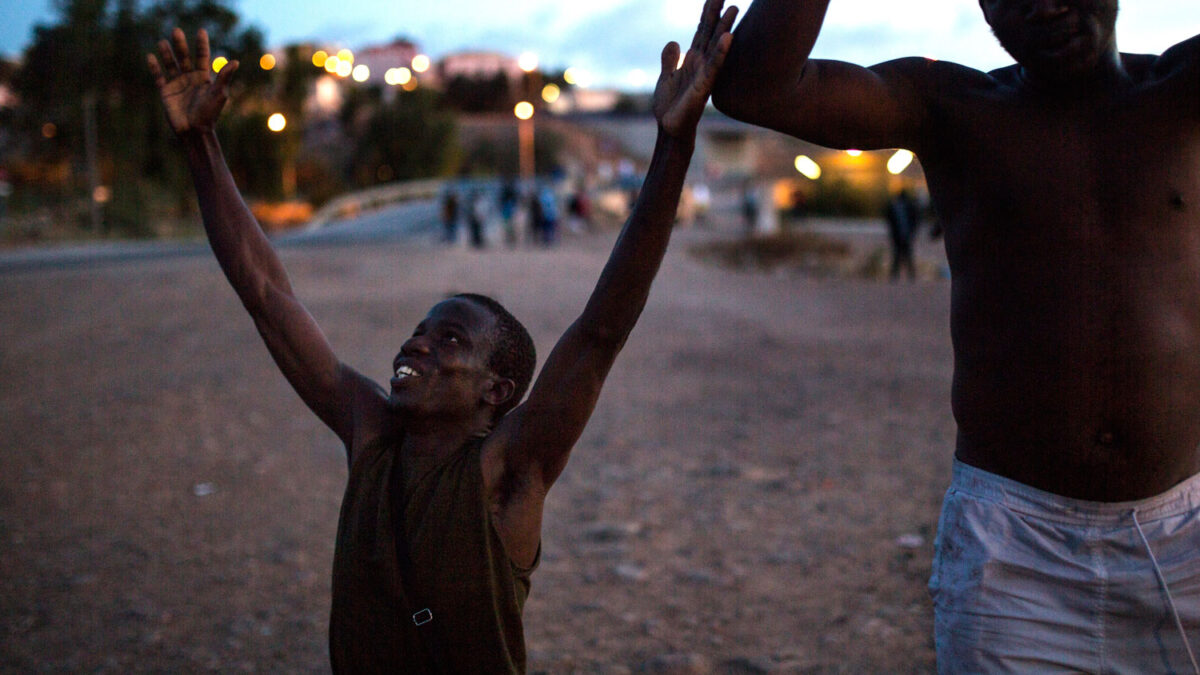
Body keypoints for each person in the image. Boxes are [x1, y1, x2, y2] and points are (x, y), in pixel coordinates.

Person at [147, 1, 736, 670]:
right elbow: (266, 294)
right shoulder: (370, 434)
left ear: (498, 388)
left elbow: (602, 330)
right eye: (419, 331)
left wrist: (674, 147)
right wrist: (200, 145)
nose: (415, 345)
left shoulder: (509, 470)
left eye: (450, 339)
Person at [713, 0, 1200, 671]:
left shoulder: (1181, 94)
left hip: (1186, 536)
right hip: (1015, 549)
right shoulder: (955, 108)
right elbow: (755, 87)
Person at [884, 188, 919, 282]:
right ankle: (901, 275)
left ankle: (907, 276)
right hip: (901, 235)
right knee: (901, 256)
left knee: (903, 256)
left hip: (903, 235)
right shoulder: (904, 207)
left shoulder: (898, 207)